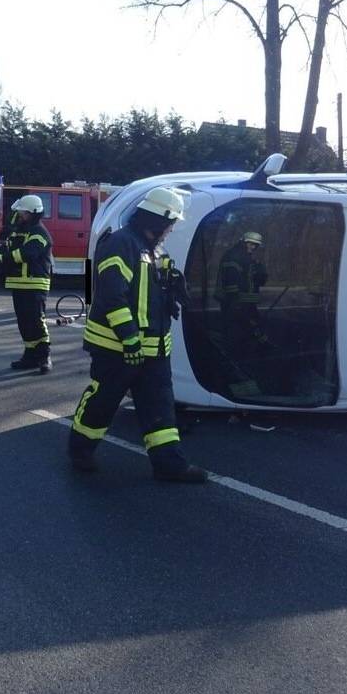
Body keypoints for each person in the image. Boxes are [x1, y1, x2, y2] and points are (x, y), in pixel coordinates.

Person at [67, 186, 206, 482]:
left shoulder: (153, 249)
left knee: (160, 405)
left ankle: (169, 464)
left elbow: (152, 288)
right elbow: (112, 296)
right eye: (170, 223)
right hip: (118, 348)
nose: (171, 229)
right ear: (156, 219)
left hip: (153, 349)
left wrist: (173, 281)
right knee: (103, 400)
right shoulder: (120, 244)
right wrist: (129, 338)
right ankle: (80, 449)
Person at [0, 194, 53, 373]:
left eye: (23, 213)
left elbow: (27, 253)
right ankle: (30, 355)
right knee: (24, 322)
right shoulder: (18, 231)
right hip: (18, 283)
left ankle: (44, 357)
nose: (20, 215)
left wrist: (3, 258)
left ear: (31, 213)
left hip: (35, 283)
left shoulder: (40, 233)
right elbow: (8, 246)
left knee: (37, 320)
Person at [216, 231, 269, 349]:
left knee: (249, 324)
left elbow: (252, 278)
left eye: (256, 245)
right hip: (235, 301)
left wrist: (260, 272)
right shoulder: (234, 256)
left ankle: (255, 346)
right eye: (251, 244)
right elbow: (231, 280)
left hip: (246, 300)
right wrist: (235, 301)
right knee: (238, 326)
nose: (253, 247)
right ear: (243, 242)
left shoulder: (246, 257)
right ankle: (235, 349)